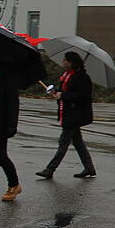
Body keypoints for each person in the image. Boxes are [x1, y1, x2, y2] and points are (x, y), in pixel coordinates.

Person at [36, 51, 96, 180]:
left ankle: (50, 169)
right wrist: (56, 93)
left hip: (75, 115)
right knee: (78, 142)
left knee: (63, 143)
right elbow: (65, 92)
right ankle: (89, 167)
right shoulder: (67, 75)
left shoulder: (83, 77)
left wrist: (63, 95)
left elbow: (83, 96)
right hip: (67, 113)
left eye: (65, 60)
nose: (63, 62)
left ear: (71, 62)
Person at [0, 52, 22, 201]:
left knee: (1, 156)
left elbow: (13, 102)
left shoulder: (6, 75)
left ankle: (14, 184)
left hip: (0, 123)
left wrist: (12, 124)